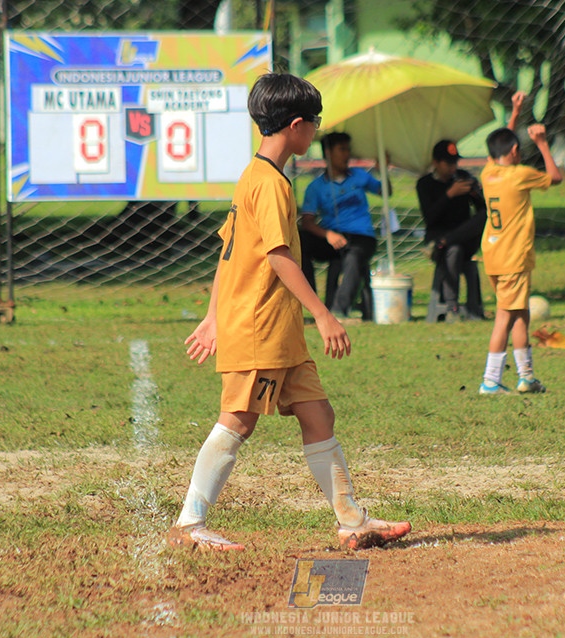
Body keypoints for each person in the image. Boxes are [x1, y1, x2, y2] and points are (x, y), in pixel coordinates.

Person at [169, 73, 411, 552]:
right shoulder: (271, 185)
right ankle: (188, 524)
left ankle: (351, 521)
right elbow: (279, 258)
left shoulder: (255, 176)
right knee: (238, 420)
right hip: (259, 327)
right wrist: (324, 314)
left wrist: (213, 312)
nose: (317, 130)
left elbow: (228, 252)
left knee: (318, 414)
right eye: (315, 122)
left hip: (279, 332)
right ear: (296, 125)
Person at [477, 123, 562, 395]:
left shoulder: (487, 173)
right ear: (515, 151)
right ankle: (491, 380)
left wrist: (513, 114)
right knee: (504, 316)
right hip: (514, 258)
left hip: (493, 256)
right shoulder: (519, 175)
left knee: (520, 315)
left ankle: (526, 377)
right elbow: (555, 177)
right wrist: (542, 143)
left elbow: (500, 144)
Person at [299, 132, 382, 320]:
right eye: (342, 150)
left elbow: (385, 191)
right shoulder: (316, 187)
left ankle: (337, 311)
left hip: (362, 238)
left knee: (353, 258)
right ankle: (311, 298)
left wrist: (382, 168)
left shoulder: (360, 176)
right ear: (328, 153)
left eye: (348, 150)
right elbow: (307, 222)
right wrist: (328, 235)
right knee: (300, 240)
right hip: (333, 238)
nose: (347, 155)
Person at [415, 139, 486, 321]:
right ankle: (451, 304)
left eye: (455, 163)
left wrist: (476, 194)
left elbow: (482, 212)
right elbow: (430, 218)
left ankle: (447, 240)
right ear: (435, 163)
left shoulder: (462, 177)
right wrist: (449, 195)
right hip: (436, 240)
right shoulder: (425, 184)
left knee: (485, 216)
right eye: (448, 163)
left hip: (463, 237)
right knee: (453, 251)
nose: (453, 168)